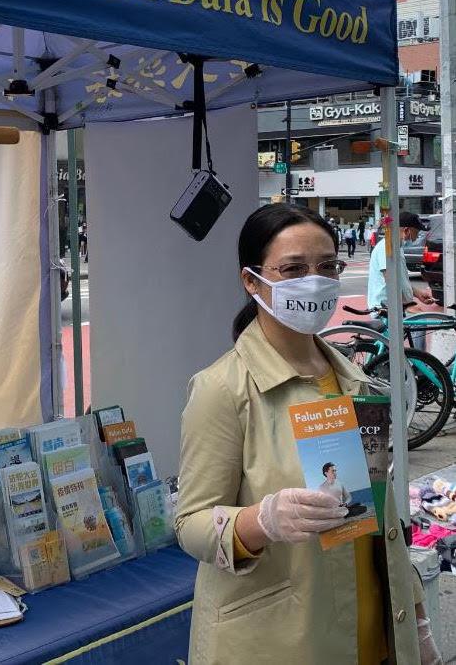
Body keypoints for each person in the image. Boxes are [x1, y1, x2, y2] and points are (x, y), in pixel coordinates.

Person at [176, 203, 440, 665]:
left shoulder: (354, 381)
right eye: (294, 269)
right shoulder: (222, 389)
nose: (314, 281)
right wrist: (262, 521)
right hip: (282, 640)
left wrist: (414, 616)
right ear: (251, 281)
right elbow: (190, 524)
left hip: (374, 634)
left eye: (327, 266)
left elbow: (378, 514)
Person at [367, 211, 435, 310]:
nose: (416, 237)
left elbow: (400, 280)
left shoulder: (397, 247)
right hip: (386, 309)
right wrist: (407, 306)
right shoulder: (387, 247)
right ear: (406, 230)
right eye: (416, 232)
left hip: (395, 307)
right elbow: (391, 281)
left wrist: (417, 293)